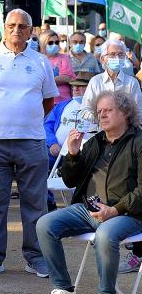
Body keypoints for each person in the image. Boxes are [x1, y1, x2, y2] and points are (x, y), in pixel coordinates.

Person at [0, 9, 58, 279]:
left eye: (22, 26)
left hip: (31, 141)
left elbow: (48, 101)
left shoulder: (41, 61)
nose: (16, 30)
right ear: (4, 28)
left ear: (31, 30)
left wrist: (26, 120)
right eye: (11, 25)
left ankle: (35, 257)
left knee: (36, 203)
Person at [37, 91, 142, 294]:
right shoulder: (94, 142)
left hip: (128, 214)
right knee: (44, 224)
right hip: (89, 210)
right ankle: (64, 290)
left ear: (125, 113)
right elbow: (70, 181)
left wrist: (114, 210)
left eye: (108, 110)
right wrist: (73, 154)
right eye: (99, 111)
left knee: (105, 234)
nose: (101, 115)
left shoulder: (139, 142)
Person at [43, 72, 94, 212]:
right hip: (57, 153)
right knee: (38, 162)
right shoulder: (62, 105)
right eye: (74, 86)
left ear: (91, 88)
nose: (75, 89)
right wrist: (52, 143)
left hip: (85, 155)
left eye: (81, 86)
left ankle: (83, 204)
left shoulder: (97, 108)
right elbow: (47, 126)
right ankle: (48, 203)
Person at [81, 39, 142, 123]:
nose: (117, 58)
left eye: (121, 55)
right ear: (103, 59)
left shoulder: (132, 82)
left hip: (126, 132)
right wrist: (103, 119)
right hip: (100, 131)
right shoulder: (95, 81)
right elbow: (85, 110)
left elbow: (139, 111)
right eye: (112, 54)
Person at [39, 30, 76, 104]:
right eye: (50, 43)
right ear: (43, 43)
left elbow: (67, 77)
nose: (54, 45)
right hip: (43, 101)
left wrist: (44, 81)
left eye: (56, 42)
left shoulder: (64, 57)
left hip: (63, 100)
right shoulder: (37, 59)